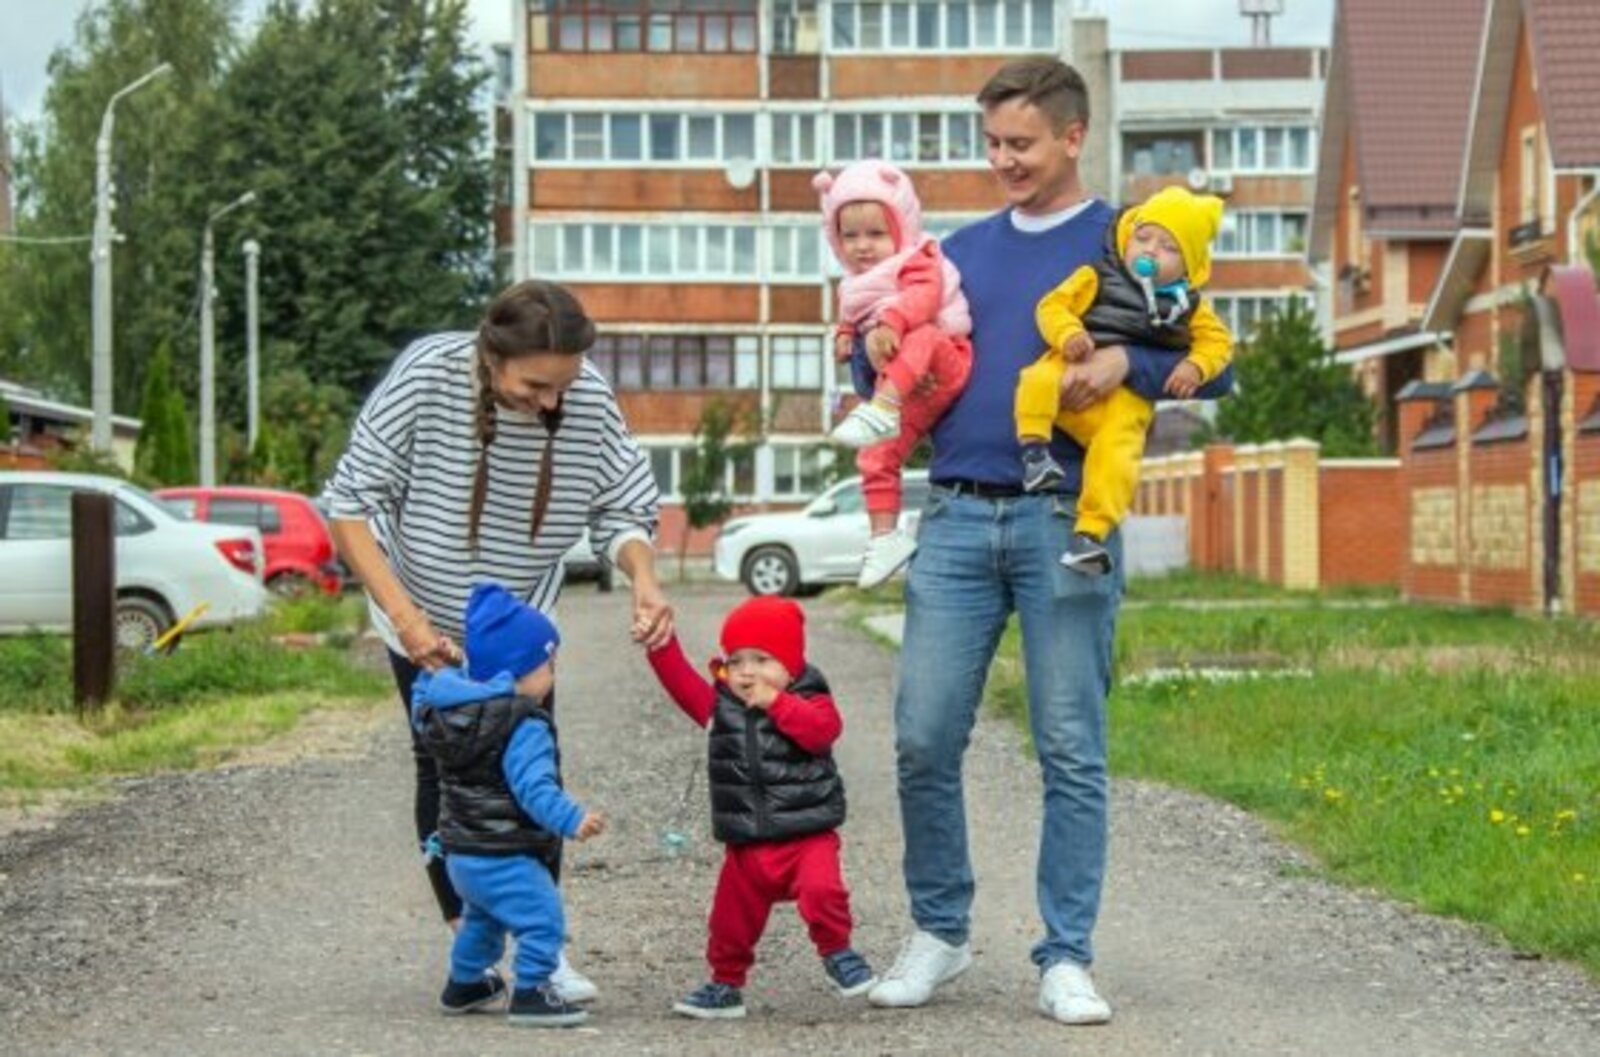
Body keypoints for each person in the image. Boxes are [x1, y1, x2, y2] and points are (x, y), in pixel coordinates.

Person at [865, 59, 1232, 1024]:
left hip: (1066, 518)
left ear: (1072, 136)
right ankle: (939, 932)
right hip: (952, 513)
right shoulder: (960, 249)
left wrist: (1128, 357)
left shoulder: (1130, 241)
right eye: (991, 144)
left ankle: (1065, 954)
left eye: (1020, 143)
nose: (1002, 161)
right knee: (921, 734)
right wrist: (864, 345)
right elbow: (902, 331)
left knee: (1071, 744)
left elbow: (1211, 356)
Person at [323, 280, 674, 1003]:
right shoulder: (429, 374)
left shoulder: (585, 395)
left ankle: (540, 944)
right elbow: (351, 505)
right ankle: (471, 941)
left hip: (515, 626)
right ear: (491, 357)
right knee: (446, 770)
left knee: (532, 765)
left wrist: (643, 575)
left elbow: (624, 503)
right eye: (535, 385)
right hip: (416, 608)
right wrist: (411, 621)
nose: (552, 402)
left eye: (562, 385)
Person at [642, 596, 875, 1019]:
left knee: (823, 893)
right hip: (747, 846)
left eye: (762, 660)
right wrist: (659, 643)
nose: (747, 671)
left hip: (808, 836)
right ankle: (725, 984)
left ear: (792, 665)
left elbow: (822, 733)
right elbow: (678, 680)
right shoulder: (719, 707)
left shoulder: (811, 699)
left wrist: (777, 703)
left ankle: (838, 952)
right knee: (729, 921)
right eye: (737, 660)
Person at [413, 583, 606, 1028]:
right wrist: (573, 819)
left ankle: (465, 984)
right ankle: (533, 992)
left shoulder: (447, 714)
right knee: (542, 918)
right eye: (548, 662)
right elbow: (534, 789)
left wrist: (437, 670)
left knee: (482, 921)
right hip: (505, 852)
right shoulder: (525, 724)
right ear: (522, 669)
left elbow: (423, 698)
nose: (553, 672)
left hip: (461, 855)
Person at [1017, 185, 1233, 574]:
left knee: (1120, 449)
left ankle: (1090, 535)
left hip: (1120, 400)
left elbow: (1219, 345)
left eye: (1168, 247)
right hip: (1070, 365)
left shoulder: (1189, 306)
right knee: (1035, 378)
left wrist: (1195, 366)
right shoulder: (1098, 276)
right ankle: (1035, 453)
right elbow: (1053, 307)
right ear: (1127, 234)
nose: (1149, 250)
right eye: (1144, 237)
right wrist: (1070, 335)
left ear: (1190, 266)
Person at [817, 160, 974, 588]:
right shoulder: (855, 282)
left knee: (921, 334)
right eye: (849, 236)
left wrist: (891, 324)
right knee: (875, 455)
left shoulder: (917, 257)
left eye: (875, 234)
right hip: (907, 386)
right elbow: (856, 314)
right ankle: (885, 538)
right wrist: (845, 335)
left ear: (901, 228)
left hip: (946, 359)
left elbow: (924, 298)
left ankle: (882, 407)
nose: (862, 246)